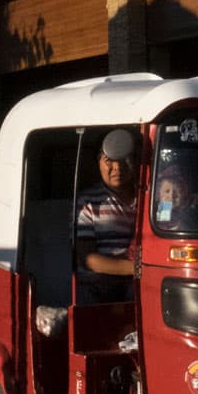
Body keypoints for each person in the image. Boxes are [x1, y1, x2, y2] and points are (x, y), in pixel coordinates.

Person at [74, 129, 139, 305]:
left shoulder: (149, 198)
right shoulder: (87, 202)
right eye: (109, 160)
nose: (117, 168)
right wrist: (136, 268)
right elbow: (89, 259)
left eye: (125, 159)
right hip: (100, 286)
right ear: (98, 162)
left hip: (139, 282)